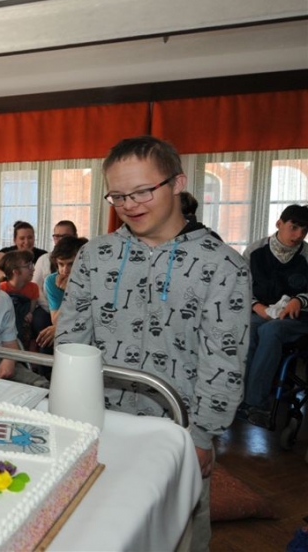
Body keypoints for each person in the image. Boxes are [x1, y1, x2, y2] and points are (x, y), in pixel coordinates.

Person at [56, 135, 249, 551]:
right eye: (118, 196)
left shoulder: (223, 265)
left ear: (177, 183)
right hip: (99, 421)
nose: (129, 205)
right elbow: (71, 336)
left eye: (143, 191)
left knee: (179, 534)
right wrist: (71, 410)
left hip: (177, 431)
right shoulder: (95, 255)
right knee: (97, 527)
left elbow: (224, 360)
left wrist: (202, 436)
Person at [240, 204, 308, 428]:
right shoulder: (255, 251)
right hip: (262, 311)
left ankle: (255, 404)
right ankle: (238, 396)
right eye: (294, 227)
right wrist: (256, 306)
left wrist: (300, 300)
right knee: (249, 328)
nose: (298, 235)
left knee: (271, 330)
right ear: (279, 224)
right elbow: (240, 287)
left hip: (299, 318)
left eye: (304, 230)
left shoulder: (306, 254)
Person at [30, 220, 78, 352]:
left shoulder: (90, 275)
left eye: (70, 264)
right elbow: (56, 320)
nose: (65, 270)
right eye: (61, 265)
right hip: (50, 308)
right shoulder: (52, 280)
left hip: (82, 321)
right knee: (45, 336)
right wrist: (69, 293)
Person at [0, 250, 38, 348]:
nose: (33, 269)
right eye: (28, 266)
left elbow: (31, 307)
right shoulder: (1, 288)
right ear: (15, 271)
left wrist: (30, 313)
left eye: (32, 265)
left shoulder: (33, 288)